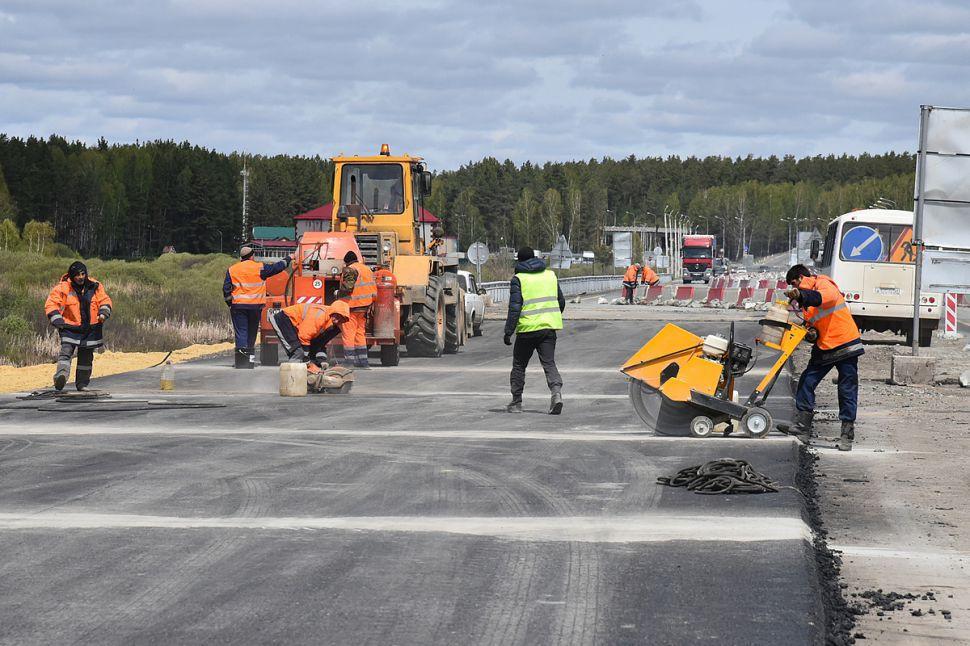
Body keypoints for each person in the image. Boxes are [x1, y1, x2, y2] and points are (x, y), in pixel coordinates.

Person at [783, 264, 865, 451]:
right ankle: (802, 427)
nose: (796, 289)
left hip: (846, 344)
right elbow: (816, 321)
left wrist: (801, 296)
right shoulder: (806, 303)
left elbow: (823, 299)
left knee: (847, 388)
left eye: (796, 283)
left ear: (803, 277)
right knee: (807, 381)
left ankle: (847, 434)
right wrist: (811, 332)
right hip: (826, 346)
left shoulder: (823, 284)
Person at [503, 247, 566, 415]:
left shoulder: (519, 279)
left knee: (519, 365)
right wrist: (550, 316)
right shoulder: (550, 275)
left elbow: (514, 308)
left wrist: (508, 331)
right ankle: (556, 394)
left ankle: (516, 403)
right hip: (548, 328)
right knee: (549, 363)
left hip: (527, 330)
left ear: (520, 261)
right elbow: (561, 301)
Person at [44, 261, 113, 391]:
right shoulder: (63, 288)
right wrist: (57, 320)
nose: (80, 277)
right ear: (71, 276)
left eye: (83, 274)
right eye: (77, 275)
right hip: (70, 328)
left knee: (86, 359)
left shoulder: (95, 286)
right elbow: (51, 304)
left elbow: (105, 300)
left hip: (90, 329)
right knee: (66, 353)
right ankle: (61, 376)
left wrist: (103, 313)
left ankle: (82, 384)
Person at [223, 246, 291, 369]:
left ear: (241, 257)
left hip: (238, 307)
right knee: (252, 332)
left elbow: (226, 289)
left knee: (241, 332)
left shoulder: (232, 269)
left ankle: (241, 362)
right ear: (252, 256)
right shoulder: (260, 268)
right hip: (255, 307)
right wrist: (289, 258)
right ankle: (250, 361)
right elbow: (277, 268)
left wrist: (230, 304)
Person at [269, 300, 351, 371]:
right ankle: (294, 383)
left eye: (341, 319)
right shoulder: (320, 316)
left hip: (297, 326)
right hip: (283, 320)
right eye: (336, 316)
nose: (337, 321)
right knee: (298, 352)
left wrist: (320, 360)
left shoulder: (332, 326)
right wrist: (306, 359)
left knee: (307, 355)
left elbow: (319, 344)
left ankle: (307, 382)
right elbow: (304, 336)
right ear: (332, 312)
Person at [337, 250, 376, 369]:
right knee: (360, 333)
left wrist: (338, 293)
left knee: (349, 333)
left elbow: (348, 287)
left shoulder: (350, 269)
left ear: (347, 261)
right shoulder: (367, 269)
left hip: (352, 306)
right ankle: (363, 362)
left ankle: (349, 362)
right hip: (365, 306)